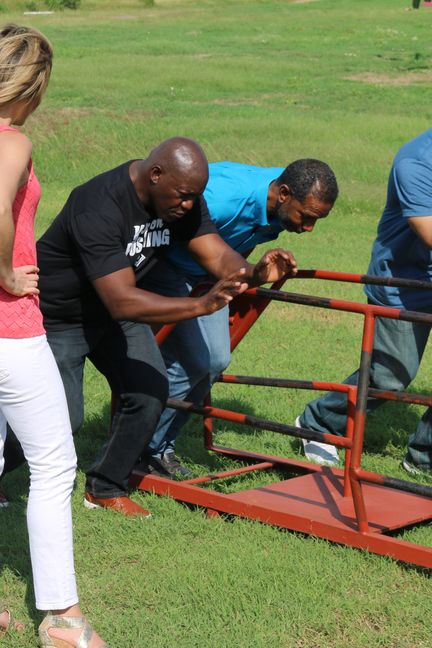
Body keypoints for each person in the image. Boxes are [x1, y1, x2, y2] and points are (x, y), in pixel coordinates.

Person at [2, 137, 298, 515]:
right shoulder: (98, 204)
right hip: (61, 317)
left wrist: (253, 272)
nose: (189, 205)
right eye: (183, 196)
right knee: (61, 417)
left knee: (148, 390)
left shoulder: (182, 199)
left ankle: (105, 487)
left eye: (195, 197)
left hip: (114, 318)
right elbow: (121, 297)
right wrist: (200, 304)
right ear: (155, 174)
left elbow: (217, 255)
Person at [0, 24, 109, 648]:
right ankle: (64, 619)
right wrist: (6, 273)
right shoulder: (11, 141)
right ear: (34, 83)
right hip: (12, 332)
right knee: (52, 463)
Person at [140, 159, 338, 477]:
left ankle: (152, 443)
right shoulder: (224, 199)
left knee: (212, 360)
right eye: (307, 217)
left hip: (210, 276)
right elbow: (155, 220)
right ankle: (146, 447)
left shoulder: (282, 197)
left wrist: (253, 271)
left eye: (318, 220)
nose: (309, 228)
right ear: (284, 193)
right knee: (189, 359)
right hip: (169, 266)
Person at [297, 129, 432, 473]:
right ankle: (318, 423)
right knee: (390, 377)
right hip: (404, 282)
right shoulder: (416, 162)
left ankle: (424, 456)